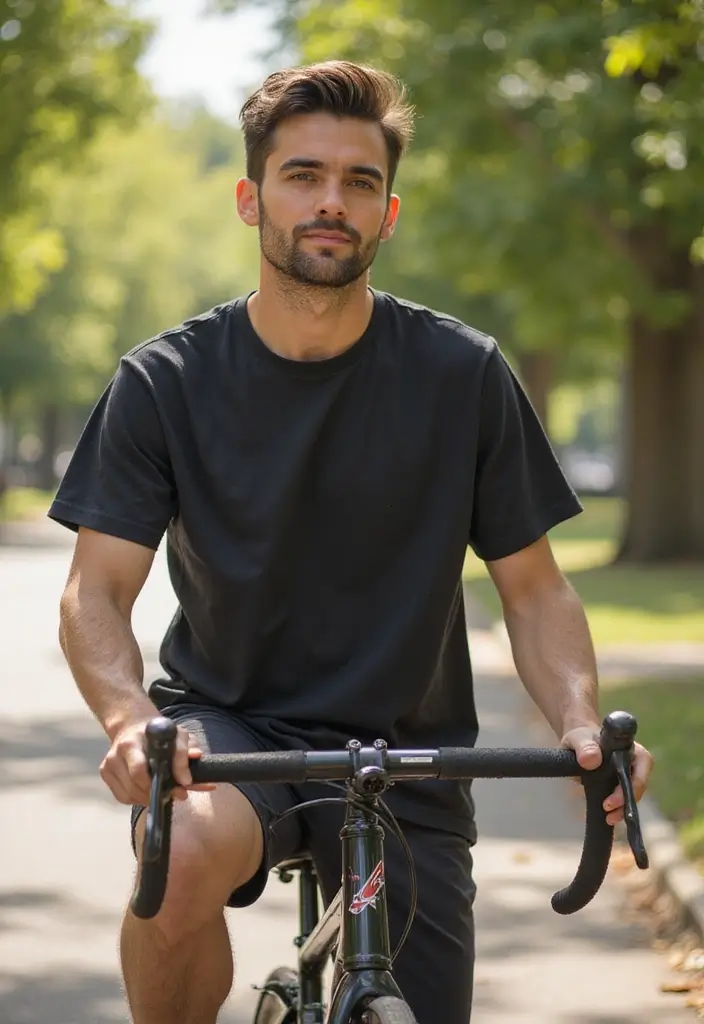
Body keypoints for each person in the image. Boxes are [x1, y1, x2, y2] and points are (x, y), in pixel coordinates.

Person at [50, 60, 653, 1024]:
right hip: (231, 734)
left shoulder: (463, 375)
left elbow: (535, 591)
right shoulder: (165, 381)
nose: (331, 201)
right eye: (303, 176)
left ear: (388, 213)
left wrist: (583, 726)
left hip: (408, 753)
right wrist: (132, 726)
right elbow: (96, 591)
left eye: (359, 182)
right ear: (252, 199)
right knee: (183, 853)